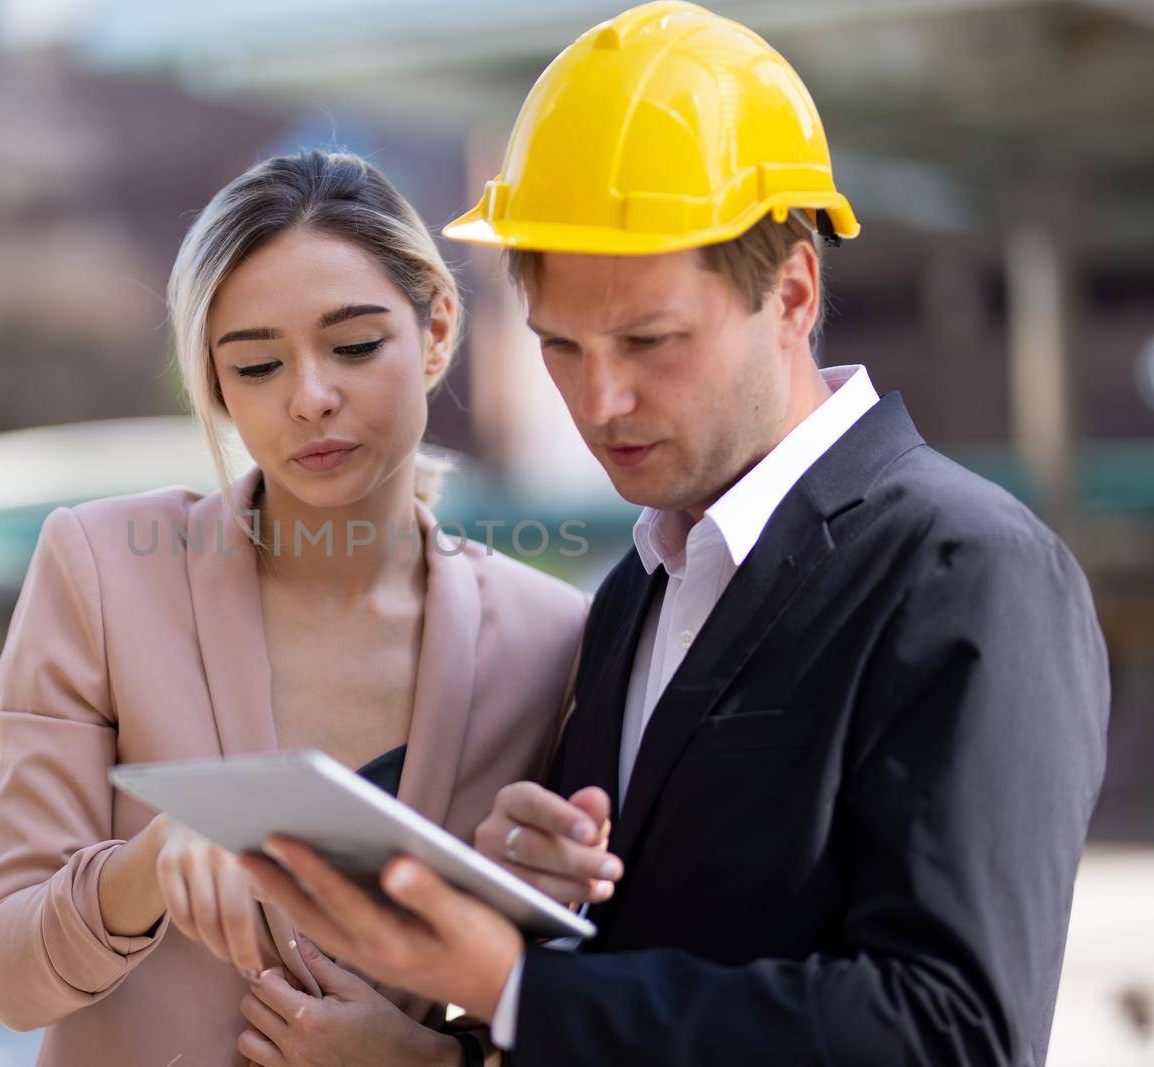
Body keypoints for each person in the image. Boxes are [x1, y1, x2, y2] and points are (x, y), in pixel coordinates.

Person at [244, 5, 1112, 1065]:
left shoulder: (971, 572)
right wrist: (517, 916)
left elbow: (946, 1032)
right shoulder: (641, 585)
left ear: (791, 291)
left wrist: (510, 985)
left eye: (650, 340)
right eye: (560, 345)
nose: (601, 400)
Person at [0, 149, 589, 1067]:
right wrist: (147, 866)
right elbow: (6, 976)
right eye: (256, 365)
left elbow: (579, 1004)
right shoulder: (100, 571)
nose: (310, 398)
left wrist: (433, 1054)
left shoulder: (551, 638)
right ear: (216, 387)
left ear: (440, 329)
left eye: (355, 345)